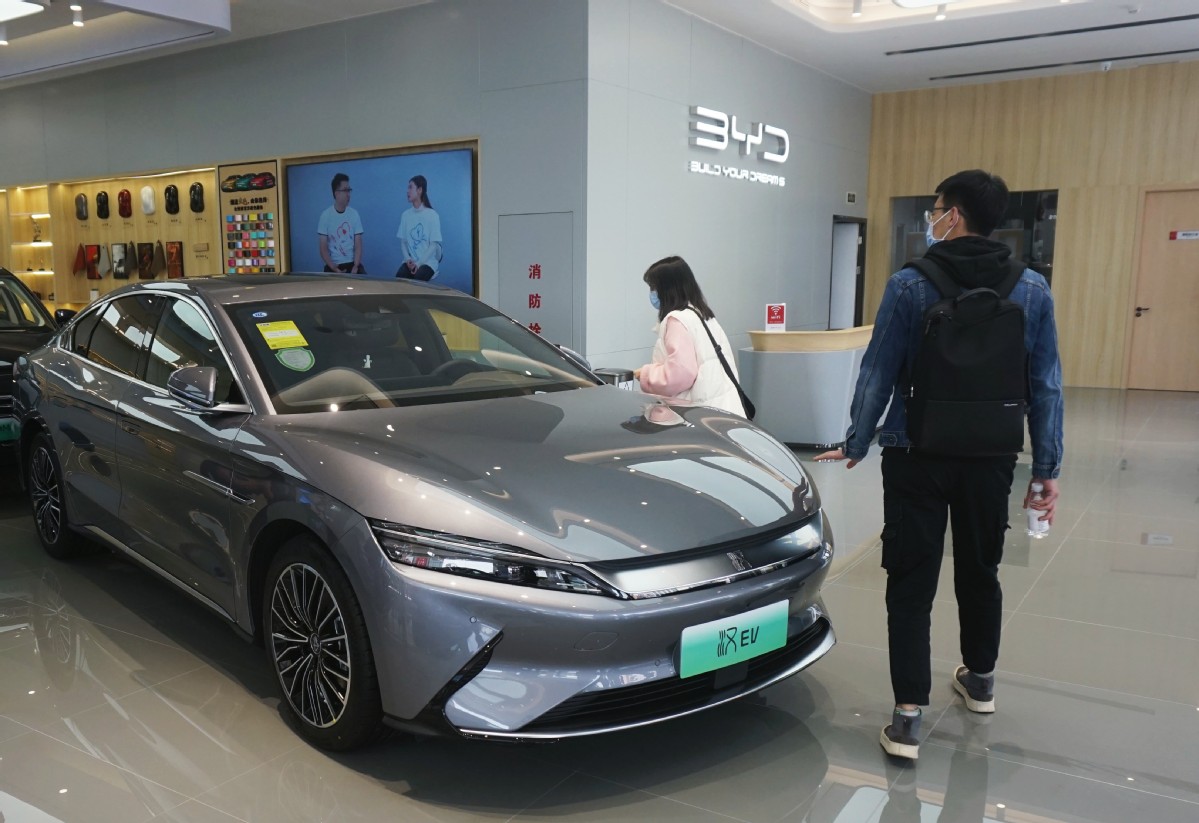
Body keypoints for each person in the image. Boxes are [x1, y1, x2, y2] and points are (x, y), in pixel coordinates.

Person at [814, 170, 1064, 760]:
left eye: (936, 210)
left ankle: (907, 717)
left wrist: (857, 441)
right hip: (991, 455)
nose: (932, 219)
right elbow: (1046, 384)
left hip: (915, 452)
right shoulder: (1031, 288)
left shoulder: (910, 284)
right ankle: (980, 681)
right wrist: (1047, 467)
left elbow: (879, 368)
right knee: (980, 568)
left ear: (953, 215)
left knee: (911, 578)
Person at [633, 256, 746, 417]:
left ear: (667, 288)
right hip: (724, 409)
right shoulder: (702, 314)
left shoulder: (677, 320)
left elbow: (680, 375)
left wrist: (646, 374)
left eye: (653, 287)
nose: (652, 293)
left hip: (698, 415)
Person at [395, 175, 442, 281]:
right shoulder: (405, 215)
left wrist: (419, 263)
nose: (407, 191)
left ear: (420, 190)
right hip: (410, 262)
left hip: (427, 263)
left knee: (417, 282)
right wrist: (408, 259)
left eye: (410, 187)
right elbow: (403, 242)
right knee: (398, 282)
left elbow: (434, 245)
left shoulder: (432, 215)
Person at [317, 173, 365, 274]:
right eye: (345, 190)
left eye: (349, 190)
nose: (348, 194)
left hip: (352, 264)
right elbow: (323, 248)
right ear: (336, 193)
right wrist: (333, 267)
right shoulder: (325, 216)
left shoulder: (354, 214)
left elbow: (358, 244)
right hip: (333, 265)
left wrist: (356, 266)